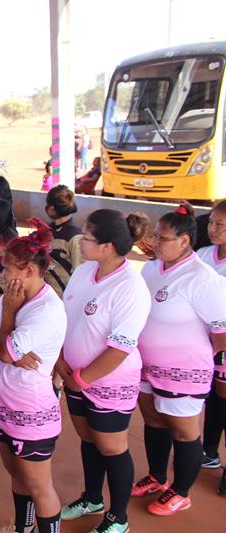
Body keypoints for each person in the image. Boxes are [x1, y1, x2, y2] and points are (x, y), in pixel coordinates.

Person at [55, 209, 151, 533]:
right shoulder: (84, 272)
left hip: (106, 381)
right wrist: (60, 363)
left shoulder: (130, 287)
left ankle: (118, 517)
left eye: (88, 237)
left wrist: (81, 379)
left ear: (108, 245)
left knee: (112, 447)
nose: (81, 241)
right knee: (88, 438)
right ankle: (92, 498)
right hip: (74, 377)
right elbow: (68, 319)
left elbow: (120, 348)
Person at [133, 205, 226, 515]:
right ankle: (157, 476)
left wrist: (201, 358)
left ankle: (182, 491)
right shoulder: (151, 268)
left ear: (185, 241)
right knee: (153, 419)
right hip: (148, 365)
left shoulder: (202, 277)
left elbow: (221, 329)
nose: (155, 242)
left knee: (184, 430)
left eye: (163, 238)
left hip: (185, 369)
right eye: (155, 236)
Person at [0, 219, 66, 533]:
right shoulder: (12, 296)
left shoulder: (46, 309)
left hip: (30, 411)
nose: (2, 274)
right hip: (3, 406)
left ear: (29, 271)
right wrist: (5, 342)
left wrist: (7, 320)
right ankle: (23, 528)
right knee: (17, 476)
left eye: (8, 269)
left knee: (39, 486)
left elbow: (4, 351)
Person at [197, 201, 226, 492]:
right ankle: (209, 452)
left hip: (223, 342)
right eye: (211, 223)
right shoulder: (204, 255)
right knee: (212, 401)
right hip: (202, 343)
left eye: (219, 225)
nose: (212, 229)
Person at [44, 185, 83, 298]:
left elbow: (79, 273)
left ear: (52, 208)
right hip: (47, 295)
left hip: (64, 299)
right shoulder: (48, 229)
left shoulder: (74, 236)